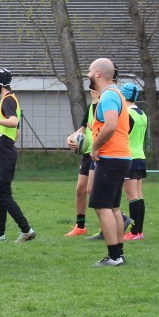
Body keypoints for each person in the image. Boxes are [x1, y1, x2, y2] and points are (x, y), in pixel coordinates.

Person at [0, 68, 36, 242]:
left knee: (2, 195)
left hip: (3, 152)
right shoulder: (10, 99)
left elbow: (13, 122)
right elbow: (17, 132)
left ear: (2, 83)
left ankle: (26, 229)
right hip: (5, 150)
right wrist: (0, 135)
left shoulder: (8, 100)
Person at [86, 58, 131, 267]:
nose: (87, 75)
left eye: (89, 71)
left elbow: (111, 125)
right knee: (113, 207)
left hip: (111, 157)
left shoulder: (109, 96)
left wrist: (95, 147)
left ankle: (114, 257)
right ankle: (118, 253)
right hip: (120, 157)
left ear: (97, 73)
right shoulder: (114, 94)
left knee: (102, 206)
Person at [64, 88, 99, 237]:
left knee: (94, 191)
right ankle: (80, 226)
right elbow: (84, 128)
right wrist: (71, 137)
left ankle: (115, 221)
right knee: (80, 189)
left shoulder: (105, 106)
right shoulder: (91, 107)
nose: (91, 90)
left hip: (99, 154)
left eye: (94, 88)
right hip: (87, 154)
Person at [121, 83, 148, 241]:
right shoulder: (142, 114)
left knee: (131, 195)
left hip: (129, 157)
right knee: (138, 194)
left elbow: (122, 136)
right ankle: (139, 232)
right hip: (140, 157)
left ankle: (134, 232)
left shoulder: (126, 114)